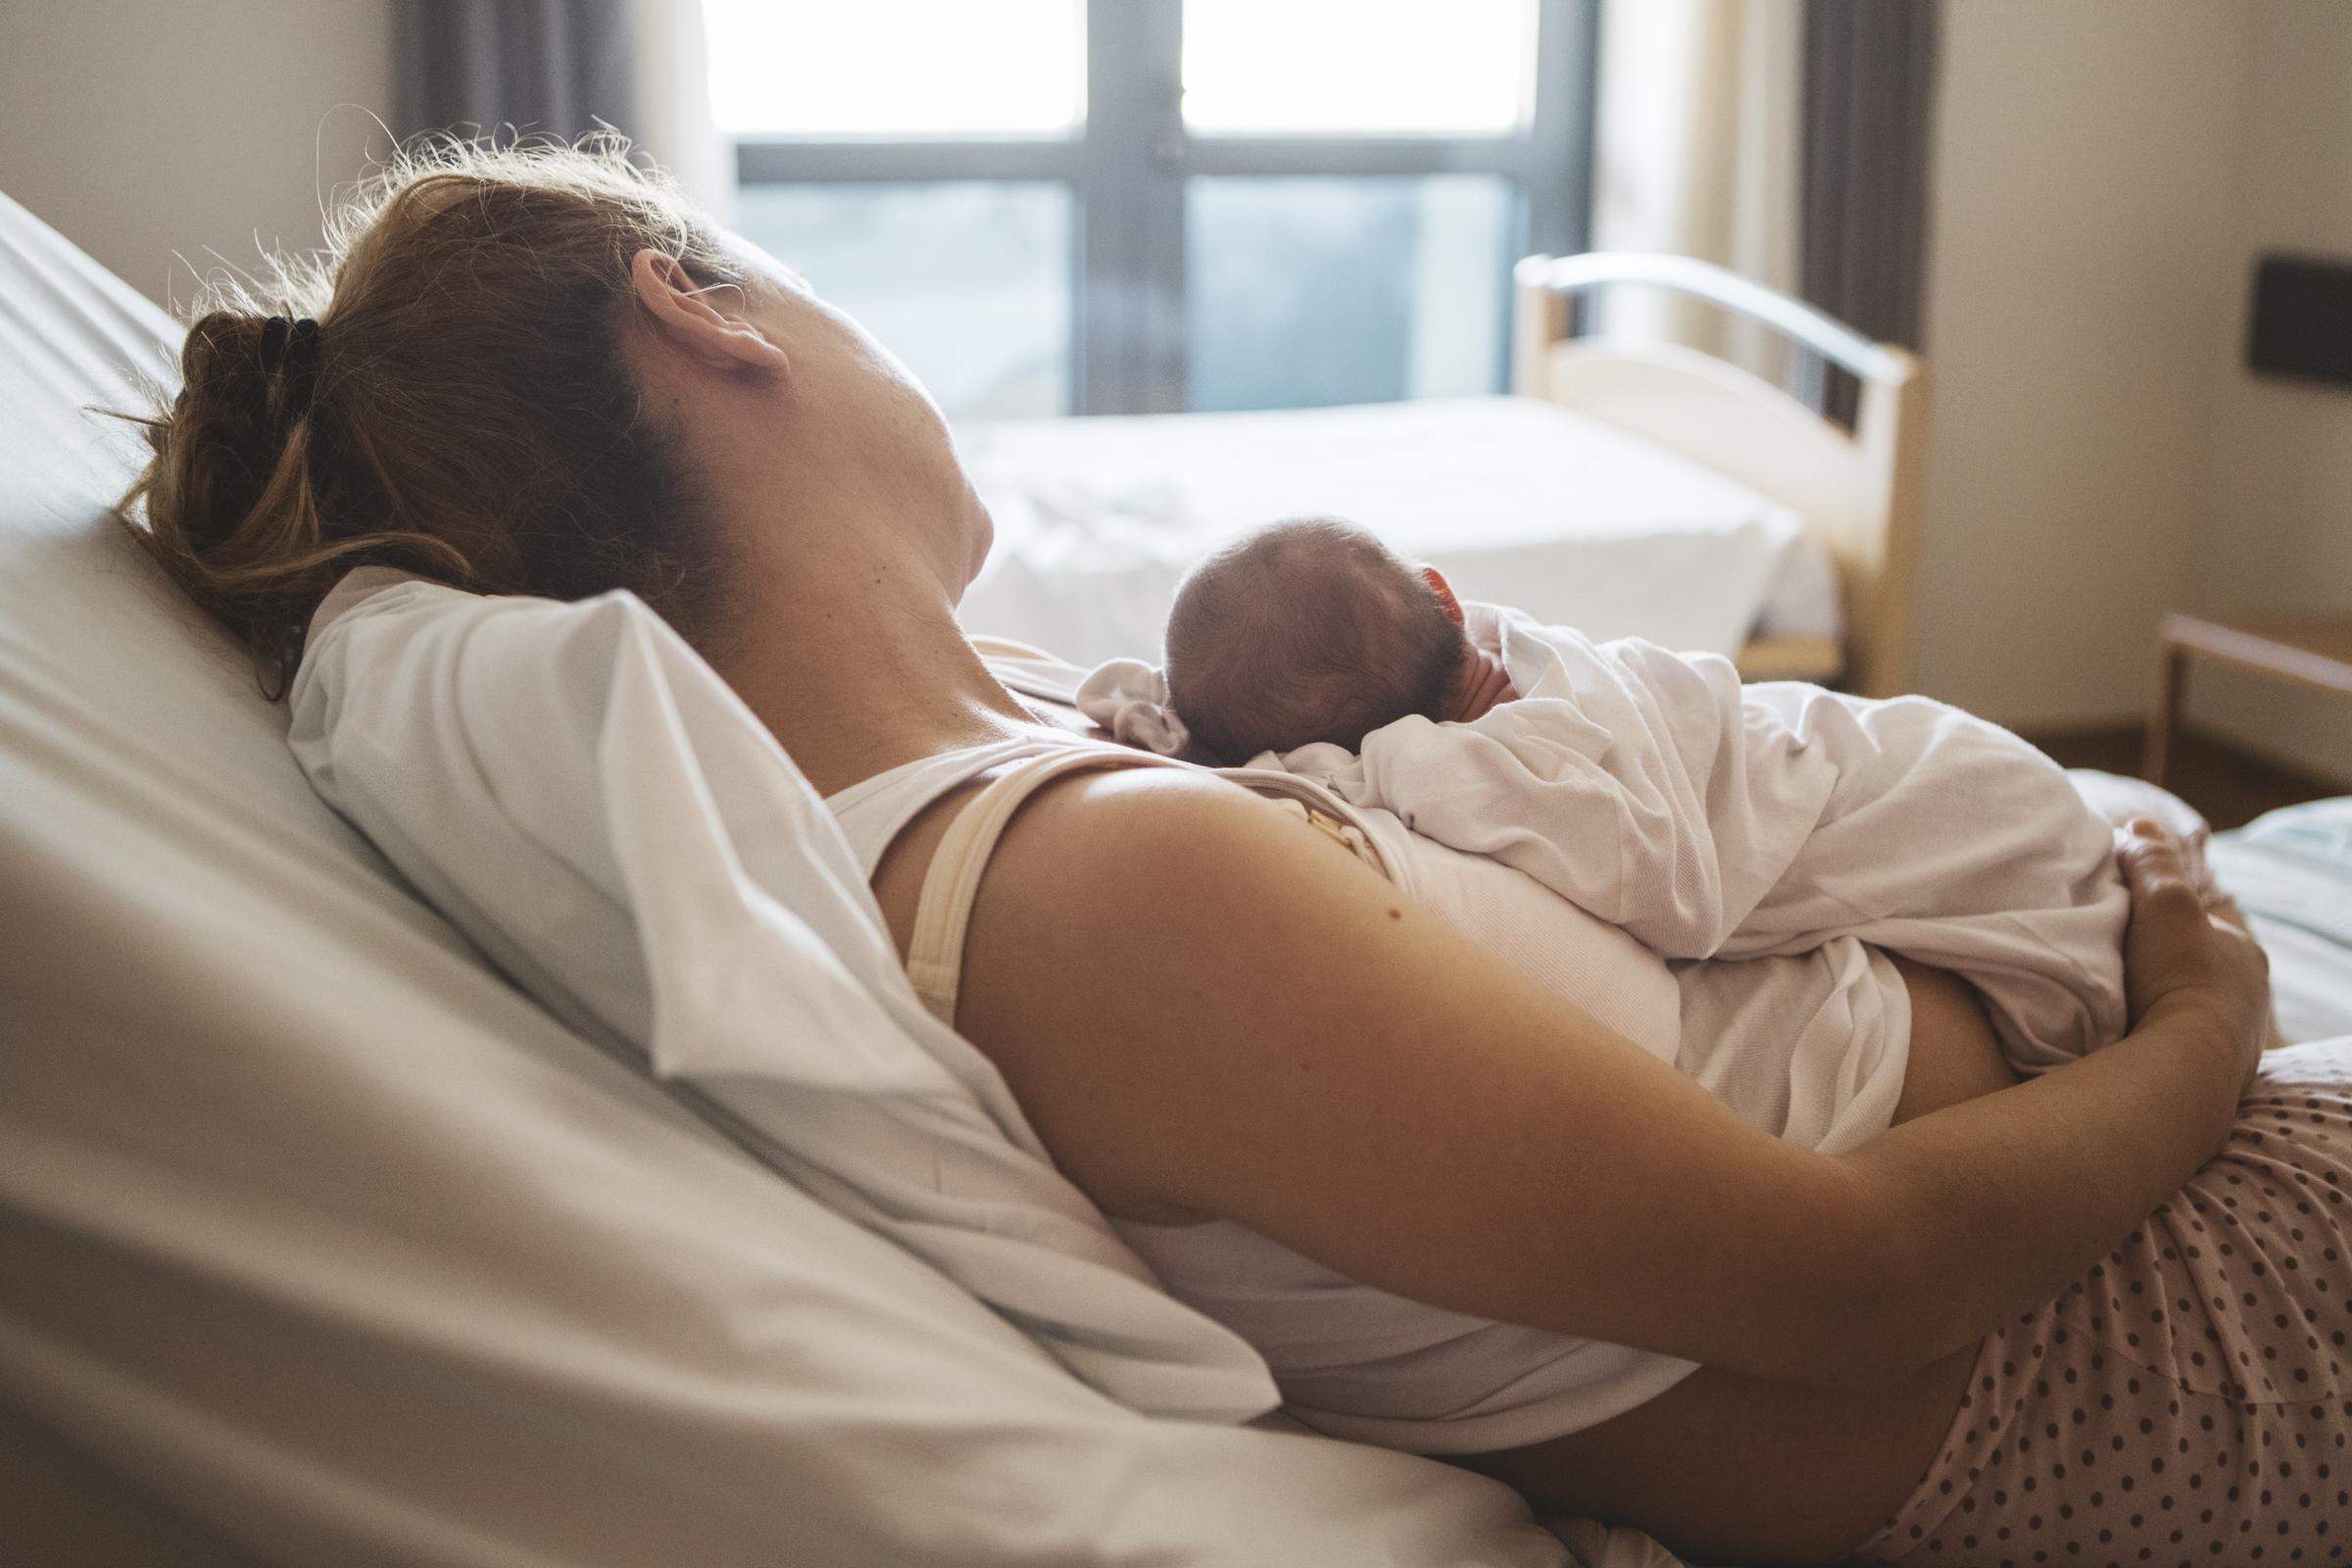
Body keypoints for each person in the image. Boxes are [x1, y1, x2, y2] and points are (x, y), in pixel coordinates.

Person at [122, 139, 2308, 1567]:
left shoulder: (1052, 730)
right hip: (2114, 1347)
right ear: (704, 311)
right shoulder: (1099, 888)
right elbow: (1858, 1282)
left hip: (2101, 1207)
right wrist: (2205, 1016)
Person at [1084, 513, 2177, 1084]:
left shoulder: (1491, 760)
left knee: (2068, 989)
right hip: (1942, 755)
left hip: (1982, 826)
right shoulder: (1489, 650)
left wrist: (1245, 747)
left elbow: (1673, 895)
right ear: (1443, 596)